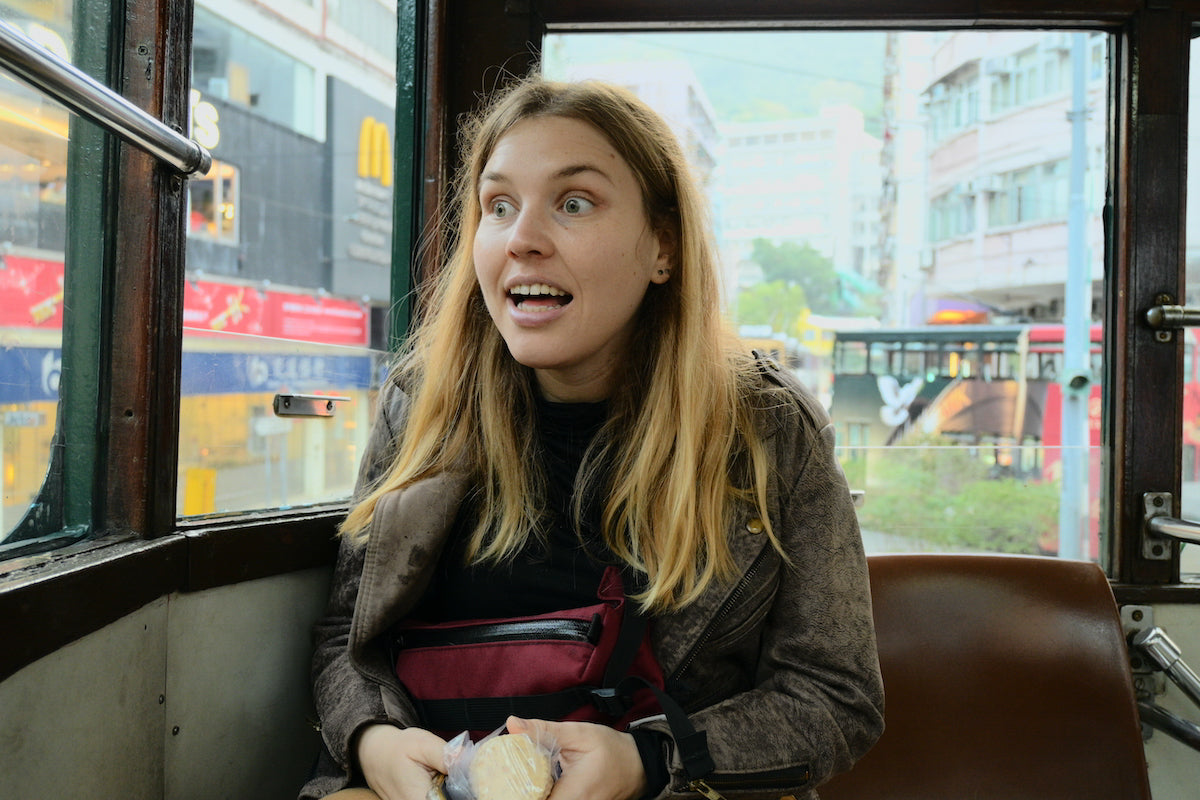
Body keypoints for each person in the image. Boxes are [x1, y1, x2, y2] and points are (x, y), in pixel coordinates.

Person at [300, 76, 883, 800]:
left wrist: (653, 762)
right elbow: (346, 640)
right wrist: (373, 740)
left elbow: (834, 696)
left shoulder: (766, 428)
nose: (522, 240)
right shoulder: (421, 404)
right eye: (499, 206)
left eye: (574, 204)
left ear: (662, 248)